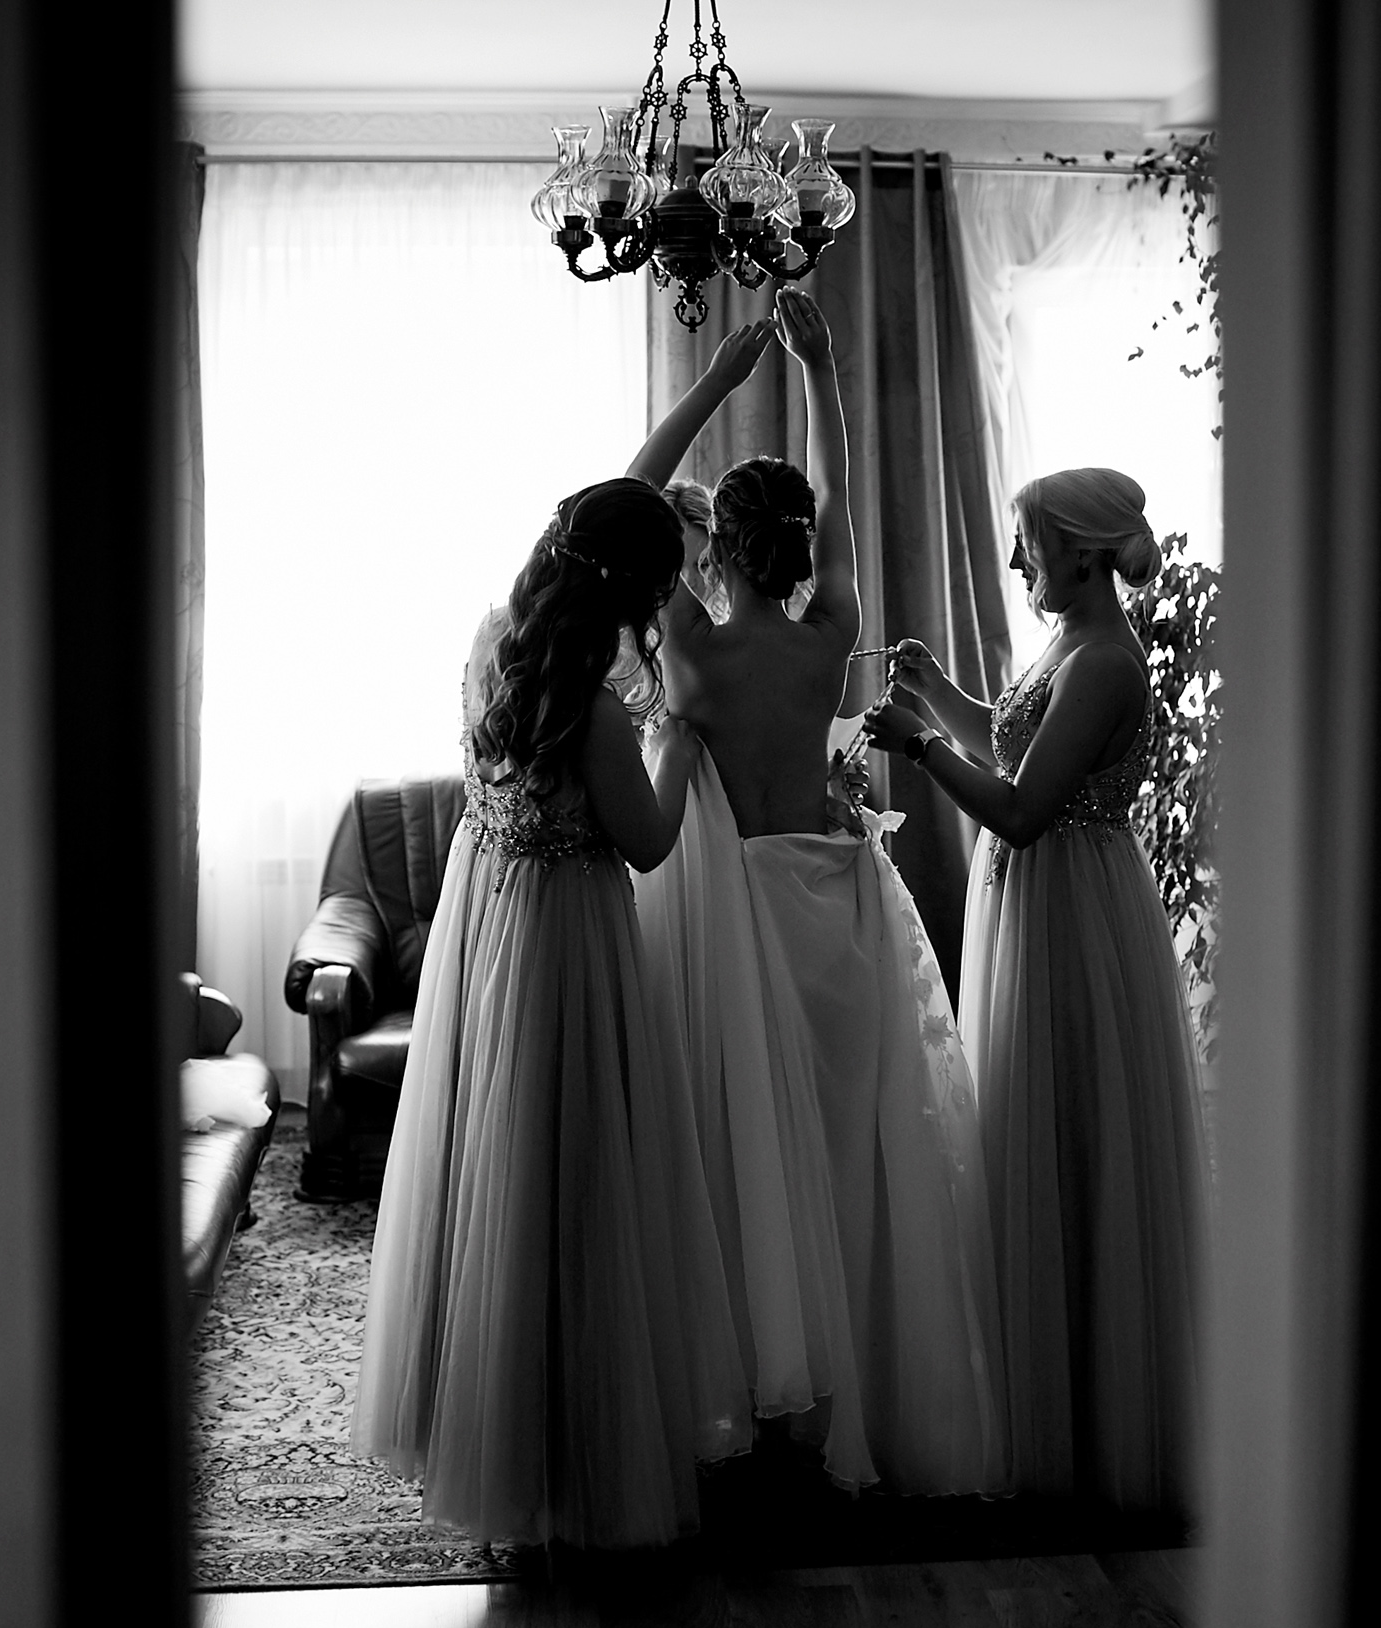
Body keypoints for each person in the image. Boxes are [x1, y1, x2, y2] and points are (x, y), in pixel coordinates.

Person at [630, 292, 1009, 1497]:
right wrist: (822, 371)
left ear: (714, 555)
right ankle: (848, 1390)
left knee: (743, 1157)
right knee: (850, 1151)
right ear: (795, 550)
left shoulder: (692, 649)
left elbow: (628, 500)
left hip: (739, 918)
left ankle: (759, 1391)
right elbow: (843, 497)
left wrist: (714, 381)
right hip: (839, 905)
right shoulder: (830, 628)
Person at [352, 477, 752, 1548]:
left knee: (500, 1171)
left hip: (489, 922)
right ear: (631, 590)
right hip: (567, 942)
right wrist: (682, 747)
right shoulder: (598, 712)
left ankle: (499, 1428)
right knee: (573, 1180)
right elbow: (648, 842)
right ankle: (573, 1446)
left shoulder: (496, 648)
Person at [865, 467, 1206, 1516]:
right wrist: (938, 695)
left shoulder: (1104, 662)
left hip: (1075, 920)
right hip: (1041, 904)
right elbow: (1013, 742)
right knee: (1030, 1137)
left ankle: (1093, 1422)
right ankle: (1044, 1391)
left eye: (1027, 542)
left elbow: (1019, 810)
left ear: (1082, 552)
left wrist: (920, 745)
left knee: (1072, 1139)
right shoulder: (1069, 644)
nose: (1016, 560)